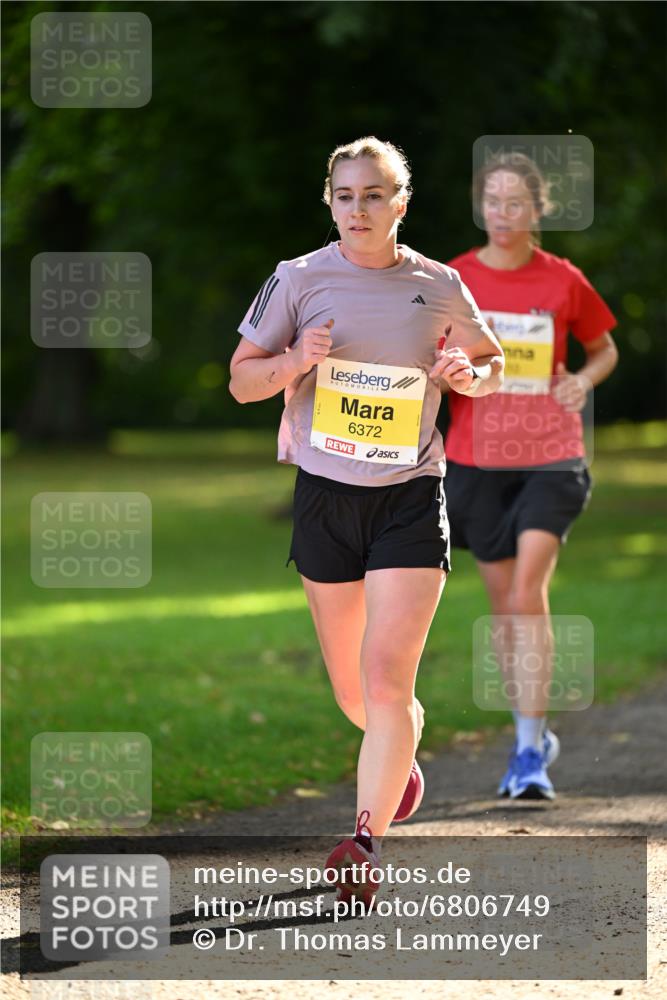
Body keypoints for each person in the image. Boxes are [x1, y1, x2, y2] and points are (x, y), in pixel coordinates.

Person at [229, 136, 504, 907]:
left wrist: (465, 374)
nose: (360, 208)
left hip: (410, 495)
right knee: (356, 694)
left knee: (387, 682)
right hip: (325, 497)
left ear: (400, 204)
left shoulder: (439, 283)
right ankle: (397, 758)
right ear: (329, 201)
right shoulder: (296, 280)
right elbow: (242, 384)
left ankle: (363, 840)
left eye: (375, 194)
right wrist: (295, 362)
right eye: (346, 195)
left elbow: (492, 365)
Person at [444, 152, 618, 801]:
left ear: (537, 210)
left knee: (524, 596)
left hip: (550, 453)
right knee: (501, 611)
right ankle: (530, 733)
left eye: (515, 203)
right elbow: (432, 350)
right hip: (476, 459)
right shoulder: (454, 277)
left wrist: (580, 378)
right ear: (479, 205)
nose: (501, 214)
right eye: (491, 201)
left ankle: (526, 756)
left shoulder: (562, 280)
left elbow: (602, 347)